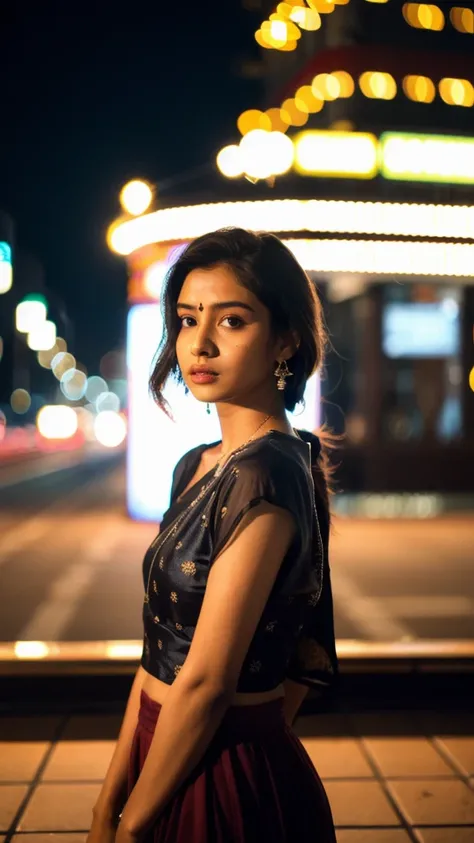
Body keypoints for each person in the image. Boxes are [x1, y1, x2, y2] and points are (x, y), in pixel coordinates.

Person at [88, 227, 338, 843]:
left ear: (284, 340)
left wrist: (131, 824)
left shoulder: (267, 474)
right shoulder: (198, 463)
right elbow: (158, 656)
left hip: (219, 767)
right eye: (187, 318)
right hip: (164, 746)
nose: (198, 343)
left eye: (231, 320)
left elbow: (206, 683)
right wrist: (109, 799)